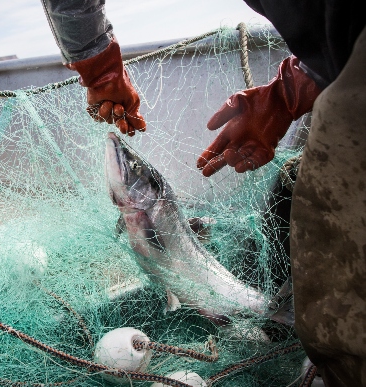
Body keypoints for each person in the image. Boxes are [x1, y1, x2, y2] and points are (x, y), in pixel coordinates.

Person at [40, 1, 366, 385]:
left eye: (137, 173)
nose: (125, 165)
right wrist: (291, 89)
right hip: (341, 53)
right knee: (297, 204)